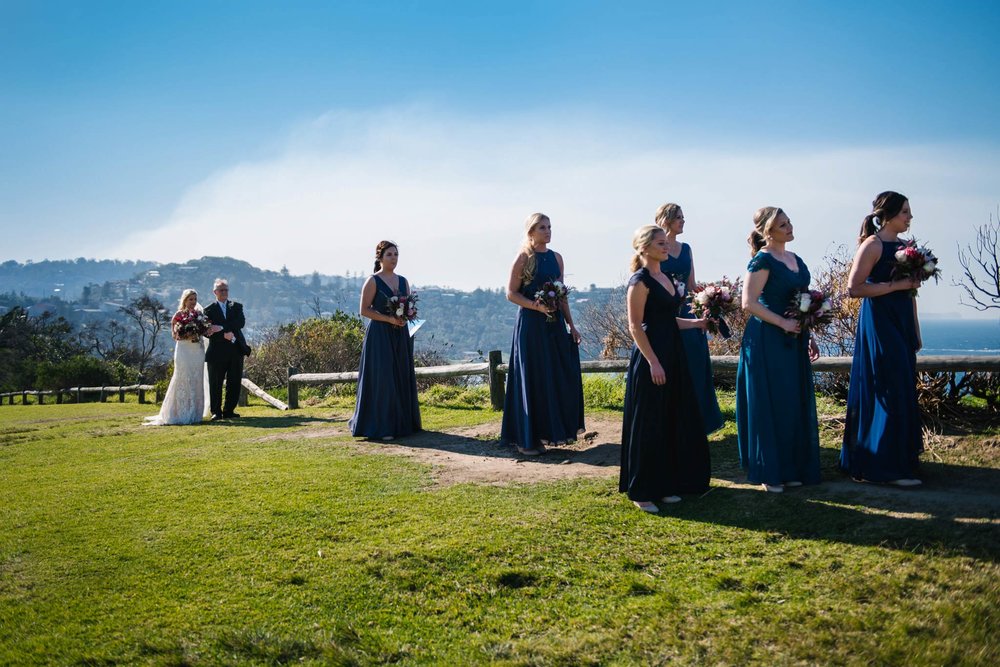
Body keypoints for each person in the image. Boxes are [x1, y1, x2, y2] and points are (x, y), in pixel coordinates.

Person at [620, 225, 712, 512]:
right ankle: (643, 491)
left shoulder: (667, 278)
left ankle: (667, 484)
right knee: (649, 422)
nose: (666, 247)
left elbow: (668, 320)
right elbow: (636, 326)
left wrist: (696, 324)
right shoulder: (640, 281)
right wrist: (653, 361)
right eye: (660, 243)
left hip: (674, 352)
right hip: (652, 357)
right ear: (644, 248)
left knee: (672, 417)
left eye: (665, 243)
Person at [841, 192, 924, 486]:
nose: (909, 217)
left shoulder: (906, 247)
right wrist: (895, 285)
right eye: (904, 212)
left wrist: (915, 327)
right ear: (887, 215)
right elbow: (854, 289)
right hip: (879, 323)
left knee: (902, 384)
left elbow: (911, 291)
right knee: (887, 385)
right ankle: (884, 467)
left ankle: (901, 461)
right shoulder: (872, 245)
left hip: (901, 321)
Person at [736, 207, 821, 492]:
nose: (789, 227)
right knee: (770, 401)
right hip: (766, 339)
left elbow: (803, 301)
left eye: (789, 222)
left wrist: (808, 333)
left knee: (792, 401)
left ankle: (791, 467)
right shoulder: (762, 261)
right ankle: (770, 471)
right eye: (782, 224)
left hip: (794, 338)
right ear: (768, 231)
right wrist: (782, 322)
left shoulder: (796, 259)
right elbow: (748, 303)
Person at [500, 213, 585, 456]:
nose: (547, 231)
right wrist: (536, 306)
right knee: (533, 377)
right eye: (542, 227)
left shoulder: (557, 258)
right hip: (530, 325)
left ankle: (550, 432)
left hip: (554, 325)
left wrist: (571, 324)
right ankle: (527, 438)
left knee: (555, 375)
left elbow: (562, 294)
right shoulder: (524, 258)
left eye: (549, 227)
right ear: (531, 231)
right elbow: (511, 293)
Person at [656, 202, 724, 434]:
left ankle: (699, 422)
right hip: (665, 311)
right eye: (679, 218)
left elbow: (692, 284)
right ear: (665, 219)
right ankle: (672, 423)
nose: (683, 221)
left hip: (688, 310)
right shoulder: (656, 247)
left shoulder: (686, 249)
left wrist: (712, 300)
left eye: (683, 217)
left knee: (695, 364)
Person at [349, 240, 421, 440]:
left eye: (396, 255)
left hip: (400, 334)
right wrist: (388, 318)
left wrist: (408, 315)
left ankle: (402, 423)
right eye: (389, 254)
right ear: (380, 257)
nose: (394, 258)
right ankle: (382, 427)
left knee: (400, 375)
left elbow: (408, 305)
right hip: (380, 335)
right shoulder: (372, 281)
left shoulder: (403, 281)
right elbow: (364, 310)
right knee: (383, 379)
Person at [145, 289, 221, 425]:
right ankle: (179, 412)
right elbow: (175, 335)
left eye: (195, 299)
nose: (193, 302)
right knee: (183, 378)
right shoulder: (178, 315)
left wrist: (205, 330)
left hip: (197, 351)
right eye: (190, 299)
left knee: (196, 379)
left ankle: (195, 413)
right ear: (185, 300)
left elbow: (205, 331)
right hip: (184, 350)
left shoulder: (199, 315)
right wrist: (187, 334)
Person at [204, 278, 249, 420]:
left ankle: (229, 410)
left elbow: (239, 323)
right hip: (217, 351)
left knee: (234, 381)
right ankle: (216, 411)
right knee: (215, 382)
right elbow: (208, 332)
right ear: (215, 292)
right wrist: (224, 335)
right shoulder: (208, 310)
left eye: (226, 290)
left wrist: (222, 328)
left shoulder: (237, 307)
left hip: (236, 349)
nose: (224, 292)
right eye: (221, 290)